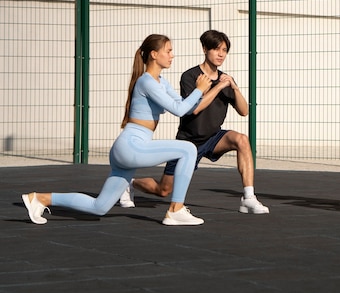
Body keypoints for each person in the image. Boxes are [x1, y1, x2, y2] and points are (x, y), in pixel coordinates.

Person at [22, 34, 212, 226]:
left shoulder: (162, 82)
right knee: (188, 149)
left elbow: (186, 106)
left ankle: (40, 198)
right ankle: (175, 209)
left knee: (99, 207)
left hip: (128, 148)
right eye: (169, 51)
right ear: (154, 54)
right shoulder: (146, 81)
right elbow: (178, 110)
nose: (173, 55)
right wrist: (198, 89)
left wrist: (205, 90)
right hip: (132, 146)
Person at [120, 30, 269, 214]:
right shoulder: (191, 77)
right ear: (205, 49)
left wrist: (235, 88)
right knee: (164, 190)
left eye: (224, 50)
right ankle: (131, 184)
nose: (221, 54)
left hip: (213, 138)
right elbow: (194, 108)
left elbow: (244, 111)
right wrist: (218, 87)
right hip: (187, 141)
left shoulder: (225, 79)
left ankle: (248, 198)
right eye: (216, 49)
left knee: (242, 140)